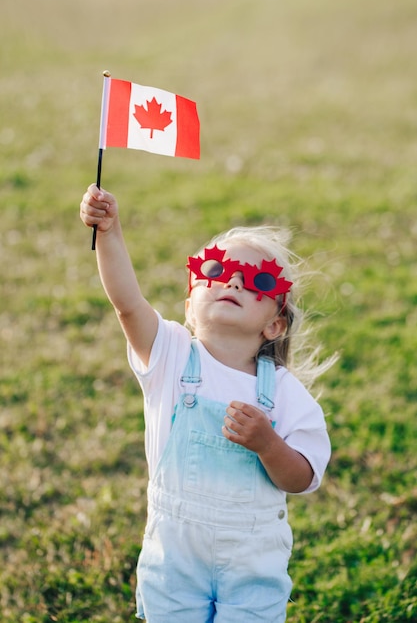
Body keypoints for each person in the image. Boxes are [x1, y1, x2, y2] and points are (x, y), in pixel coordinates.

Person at [80, 184, 333, 623]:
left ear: (274, 324)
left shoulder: (288, 393)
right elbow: (126, 304)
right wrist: (109, 231)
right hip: (174, 557)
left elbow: (303, 478)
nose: (233, 279)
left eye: (259, 280)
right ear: (189, 306)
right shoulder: (171, 356)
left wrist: (269, 445)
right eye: (215, 269)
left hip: (253, 562)